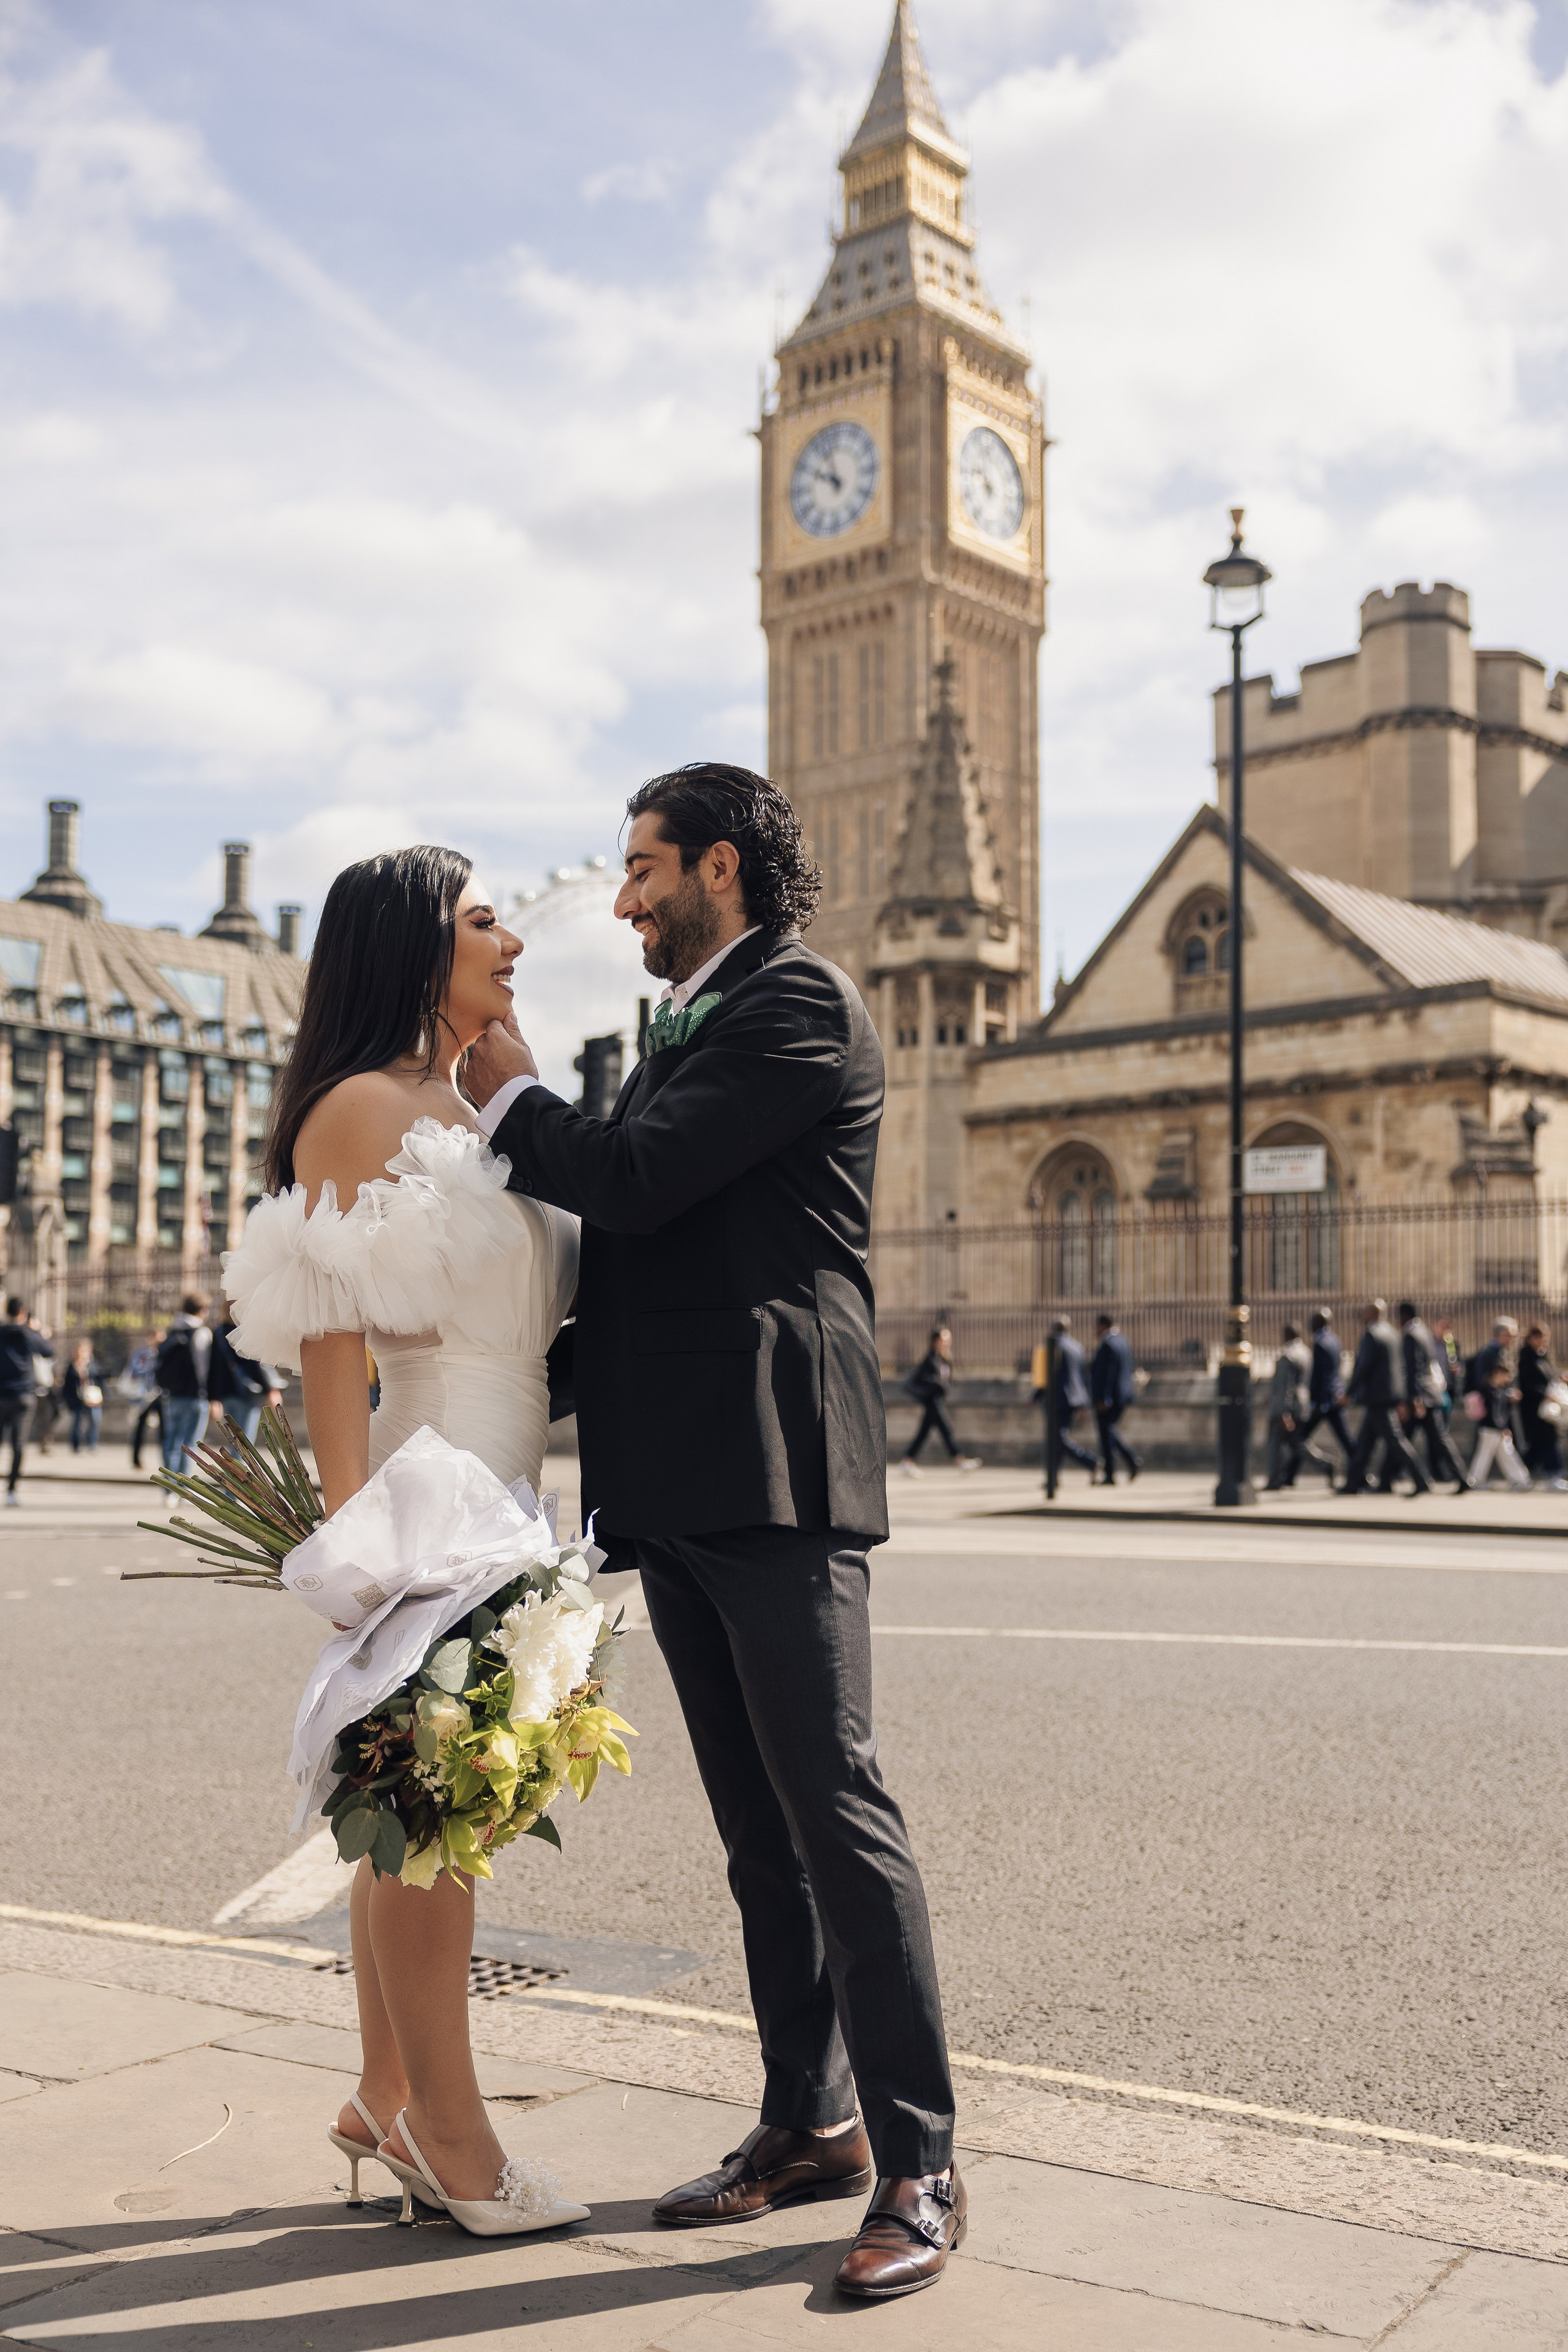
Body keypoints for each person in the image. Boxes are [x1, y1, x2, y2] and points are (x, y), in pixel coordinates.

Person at [466, 763, 963, 2301]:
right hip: (679, 1473)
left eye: (640, 868)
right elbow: (634, 1263)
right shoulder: (692, 1022)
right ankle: (802, 2123)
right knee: (759, 1837)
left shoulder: (797, 1005)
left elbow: (630, 1183)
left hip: (773, 1464)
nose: (618, 898)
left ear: (721, 870)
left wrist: (504, 1089)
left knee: (835, 1812)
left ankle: (920, 2157)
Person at [224, 845, 585, 2237]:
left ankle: (383, 2088)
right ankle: (457, 2140)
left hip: (512, 1489)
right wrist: (350, 1534)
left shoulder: (471, 1096)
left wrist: (515, 1061)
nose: (512, 937)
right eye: (484, 920)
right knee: (441, 1824)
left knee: (413, 1821)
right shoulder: (359, 1108)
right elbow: (328, 1336)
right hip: (434, 1493)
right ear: (413, 945)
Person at [1343, 1298, 1430, 1495]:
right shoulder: (1392, 1333)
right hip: (1388, 1396)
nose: (1361, 1316)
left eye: (1364, 1312)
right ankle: (1354, 1483)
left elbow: (1363, 1367)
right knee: (1365, 1441)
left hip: (1377, 1397)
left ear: (1372, 1314)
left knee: (1395, 1440)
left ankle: (1422, 1479)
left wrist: (1349, 1393)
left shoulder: (1372, 1334)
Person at [1395, 1302, 1468, 1491]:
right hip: (1429, 1395)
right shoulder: (1425, 1332)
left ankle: (1449, 1479)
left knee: (1404, 1438)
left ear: (1404, 1316)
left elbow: (1414, 1369)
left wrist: (1413, 1398)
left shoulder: (1411, 1335)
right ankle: (1391, 1477)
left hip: (1422, 1397)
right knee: (1408, 1437)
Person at [898, 1325, 979, 1476]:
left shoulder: (943, 1359)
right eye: (944, 1339)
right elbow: (923, 1380)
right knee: (946, 1431)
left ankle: (907, 1462)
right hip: (932, 1402)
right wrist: (935, 1385)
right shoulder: (930, 1360)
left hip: (936, 1402)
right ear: (936, 1341)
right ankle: (960, 1461)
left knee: (924, 1434)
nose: (947, 1343)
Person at [0, 1297, 50, 1506]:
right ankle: (11, 1490)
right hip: (24, 1396)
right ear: (23, 1312)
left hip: (1, 1395)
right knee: (18, 1445)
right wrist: (36, 1330)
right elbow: (49, 1352)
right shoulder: (28, 1334)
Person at [207, 1314, 283, 1449]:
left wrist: (214, 1397)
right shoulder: (248, 1330)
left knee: (234, 1442)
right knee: (246, 1443)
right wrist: (271, 1388)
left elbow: (214, 1367)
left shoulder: (219, 1332)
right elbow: (259, 1362)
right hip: (249, 1391)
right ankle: (241, 1470)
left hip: (227, 1392)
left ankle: (233, 1469)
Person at [155, 1297, 212, 1474]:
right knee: (190, 1443)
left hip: (171, 1395)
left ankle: (169, 1488)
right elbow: (203, 1367)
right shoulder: (201, 1333)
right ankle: (184, 1486)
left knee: (171, 1441)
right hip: (195, 1395)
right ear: (202, 1311)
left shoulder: (172, 1331)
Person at [1036, 1316, 1096, 1482]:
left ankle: (1090, 1462)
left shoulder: (1053, 1345)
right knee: (1059, 1438)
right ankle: (1053, 1478)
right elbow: (1084, 1377)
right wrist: (1084, 1403)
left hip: (1057, 1399)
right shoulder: (1077, 1347)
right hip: (1075, 1400)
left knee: (1056, 1439)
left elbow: (1046, 1375)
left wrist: (1036, 1395)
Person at [1297, 1308, 1352, 1482]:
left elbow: (1321, 1375)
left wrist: (1318, 1402)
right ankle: (1289, 1475)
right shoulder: (1334, 1340)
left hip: (1324, 1401)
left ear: (1318, 1323)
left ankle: (1291, 1474)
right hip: (1333, 1396)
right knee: (1345, 1439)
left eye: (1312, 1321)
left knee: (1299, 1437)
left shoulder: (1320, 1342)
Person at [1467, 1348, 1531, 1490]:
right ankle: (1477, 1481)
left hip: (1492, 1429)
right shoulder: (1491, 1392)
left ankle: (1519, 1479)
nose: (1508, 1379)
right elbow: (1494, 1414)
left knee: (1501, 1454)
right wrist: (1503, 1428)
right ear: (1497, 1374)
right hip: (1492, 1429)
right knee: (1490, 1455)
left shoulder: (1495, 1391)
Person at [1090, 1313, 1139, 1484]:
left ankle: (1111, 1474)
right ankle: (1130, 1461)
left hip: (1109, 1398)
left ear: (1103, 1326)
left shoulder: (1108, 1344)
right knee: (1110, 1432)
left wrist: (1104, 1398)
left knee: (1106, 1434)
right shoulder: (1123, 1342)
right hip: (1122, 1396)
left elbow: (1108, 1374)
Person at [1262, 1322, 1311, 1490]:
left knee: (1275, 1444)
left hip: (1287, 1407)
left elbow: (1286, 1386)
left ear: (1286, 1336)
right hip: (1303, 1402)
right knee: (1297, 1444)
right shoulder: (1306, 1352)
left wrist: (1284, 1411)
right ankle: (1326, 1465)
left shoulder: (1288, 1355)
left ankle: (1274, 1479)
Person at [1517, 1324, 1565, 1489]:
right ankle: (1554, 1473)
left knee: (1538, 1445)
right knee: (1546, 1440)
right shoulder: (1526, 1358)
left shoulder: (1542, 1357)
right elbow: (1528, 1384)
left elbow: (1549, 1377)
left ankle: (1520, 1473)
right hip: (1534, 1409)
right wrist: (1545, 1393)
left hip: (1545, 1408)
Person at [62, 1339, 103, 1452]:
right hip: (77, 1398)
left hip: (91, 1397)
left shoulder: (92, 1363)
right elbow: (68, 1383)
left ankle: (92, 1444)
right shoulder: (72, 1364)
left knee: (95, 1420)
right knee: (77, 1422)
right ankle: (76, 1445)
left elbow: (99, 1377)